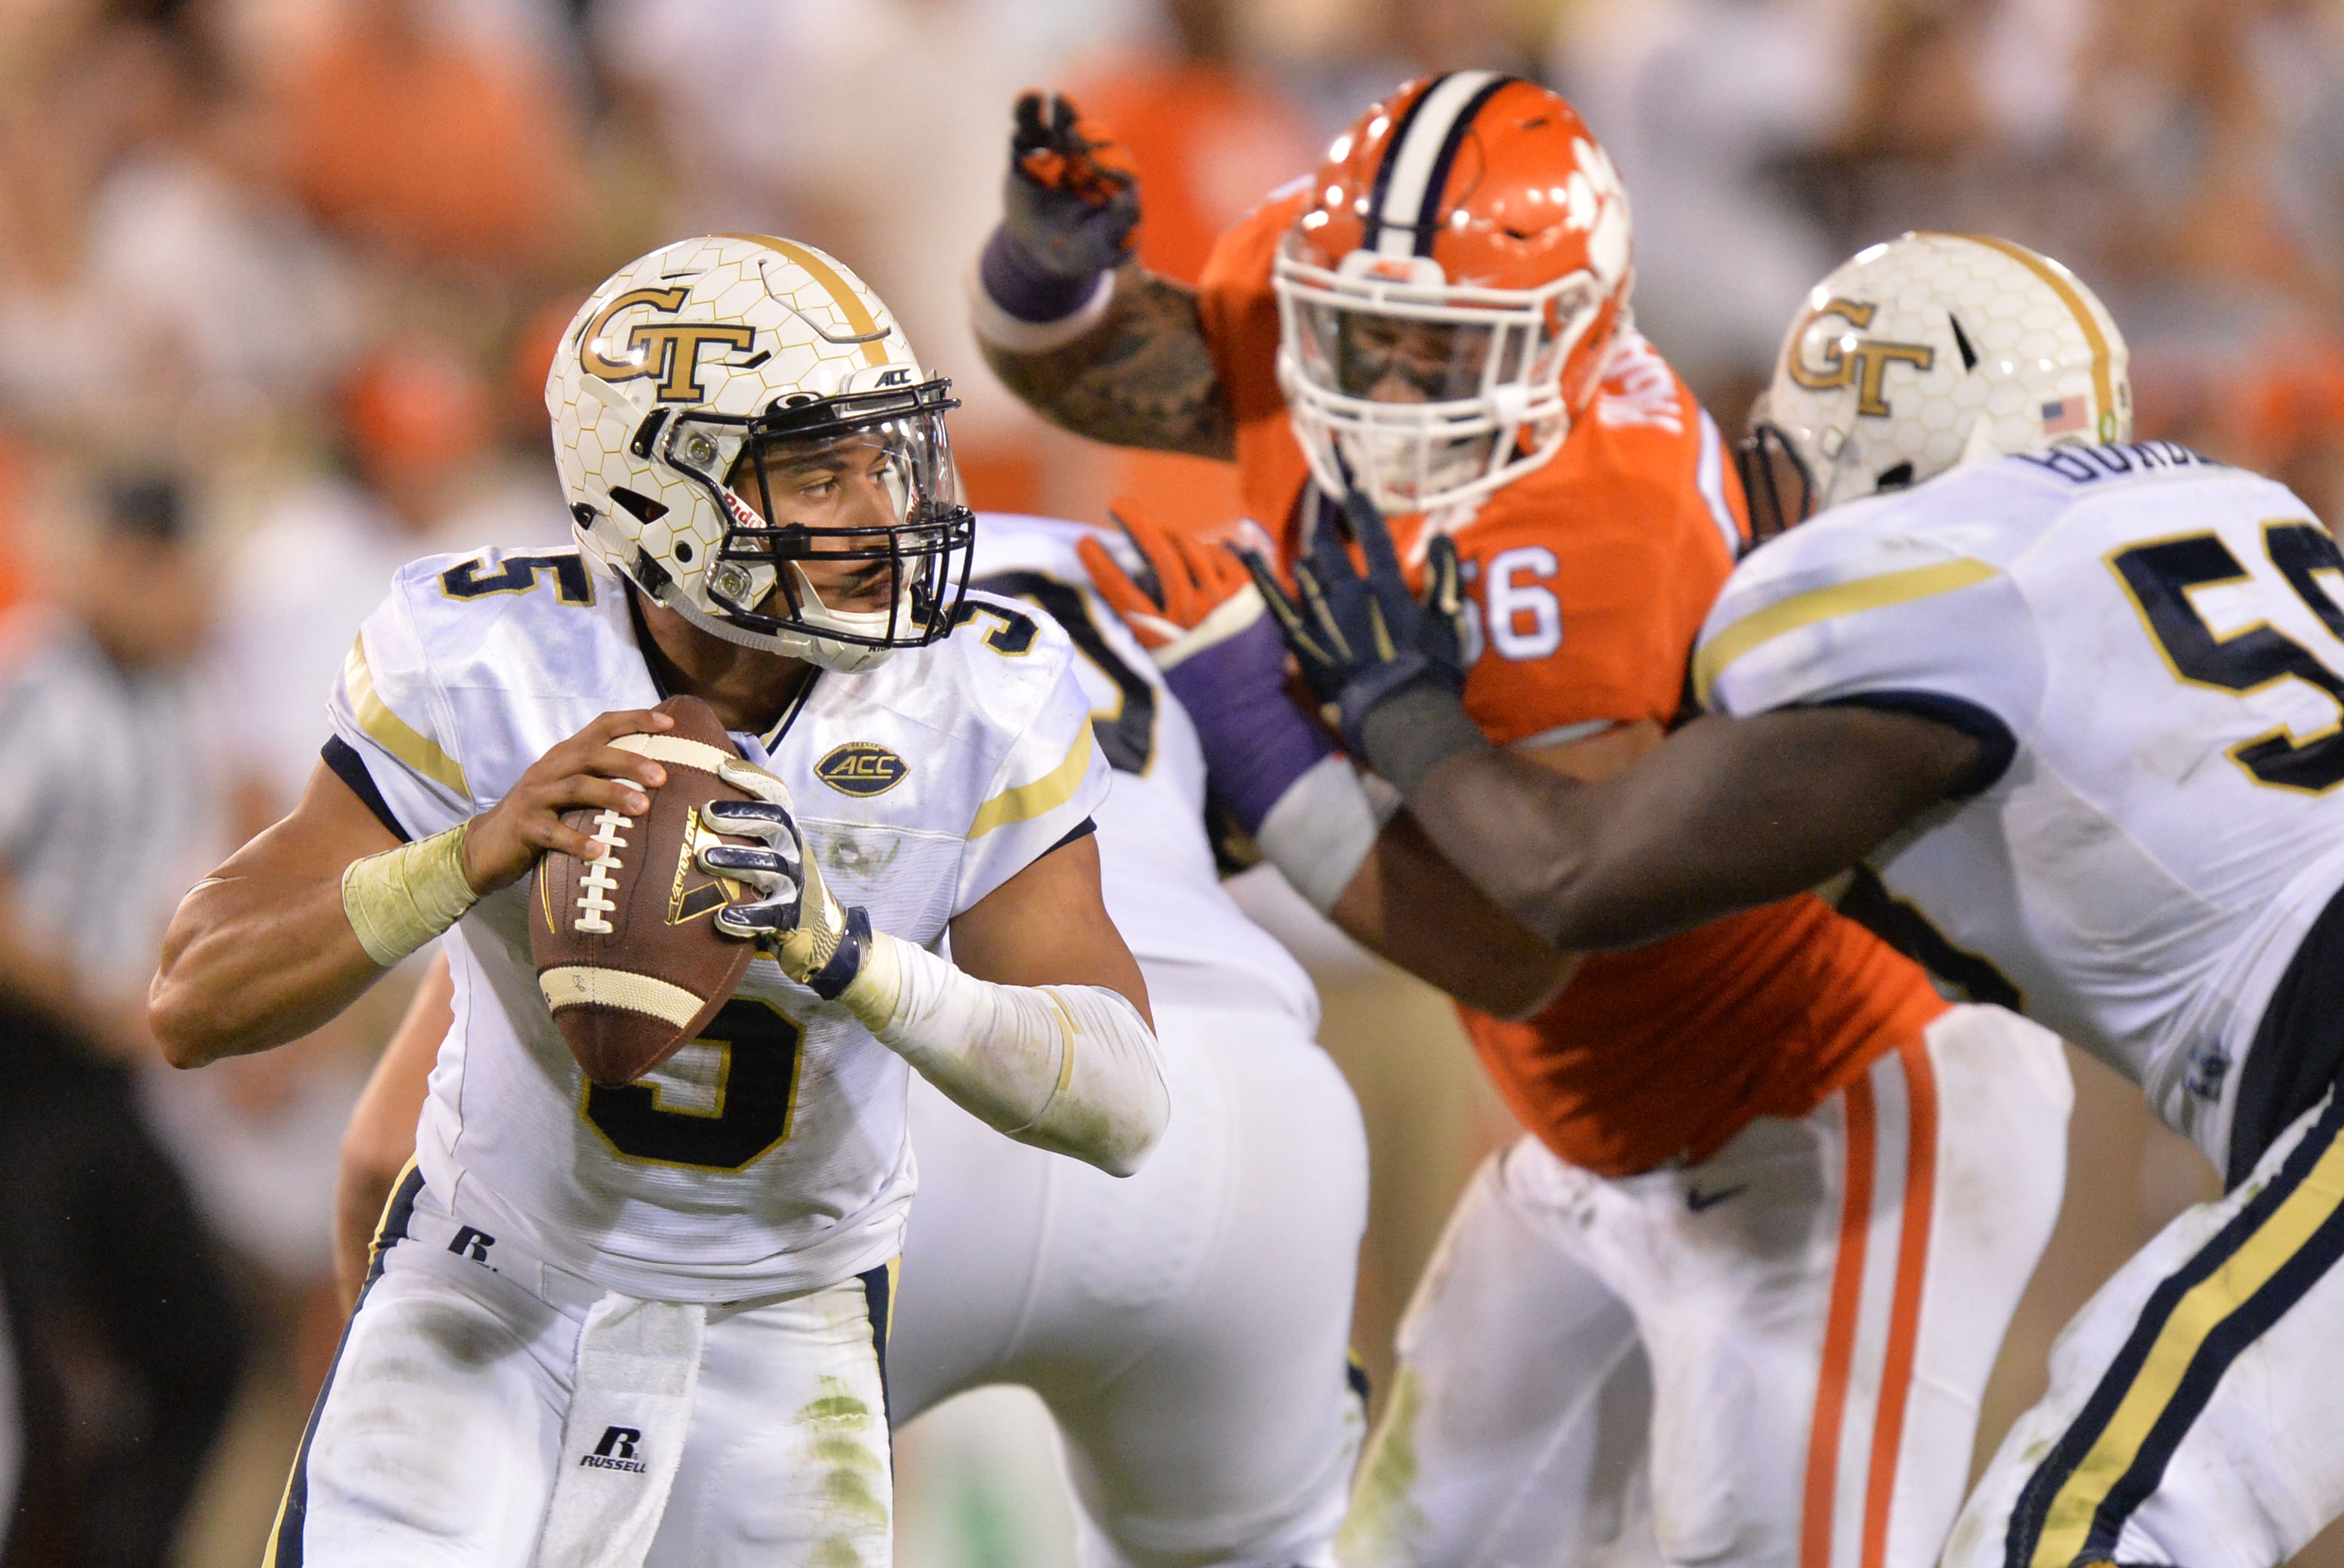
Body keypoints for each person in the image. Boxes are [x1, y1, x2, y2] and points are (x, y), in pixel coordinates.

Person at [974, 76, 2071, 1568]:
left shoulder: (1590, 521)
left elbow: (1524, 932)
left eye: (1441, 351)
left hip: (1824, 1106)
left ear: (1568, 338)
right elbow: (1120, 374)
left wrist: (1258, 730)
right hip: (1593, 1143)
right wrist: (1045, 279)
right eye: (1357, 333)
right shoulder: (1328, 303)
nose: (1382, 384)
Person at [1250, 228, 2344, 1568]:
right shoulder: (2238, 513)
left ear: (1870, 445)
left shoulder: (1942, 582)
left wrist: (1401, 710)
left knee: (2077, 1525)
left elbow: (1569, 877)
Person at [147, 234, 1170, 1568]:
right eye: (817, 471)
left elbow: (1126, 1102)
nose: (876, 511)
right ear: (659, 493)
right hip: (487, 1282)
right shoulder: (491, 652)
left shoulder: (973, 692)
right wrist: (464, 856)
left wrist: (849, 957)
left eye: (886, 458)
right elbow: (194, 997)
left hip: (782, 1326)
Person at [337, 504, 1374, 1567]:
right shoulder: (1177, 578)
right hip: (1246, 1111)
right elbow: (1480, 935)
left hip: (918, 1106)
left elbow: (387, 1149)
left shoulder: (657, 651)